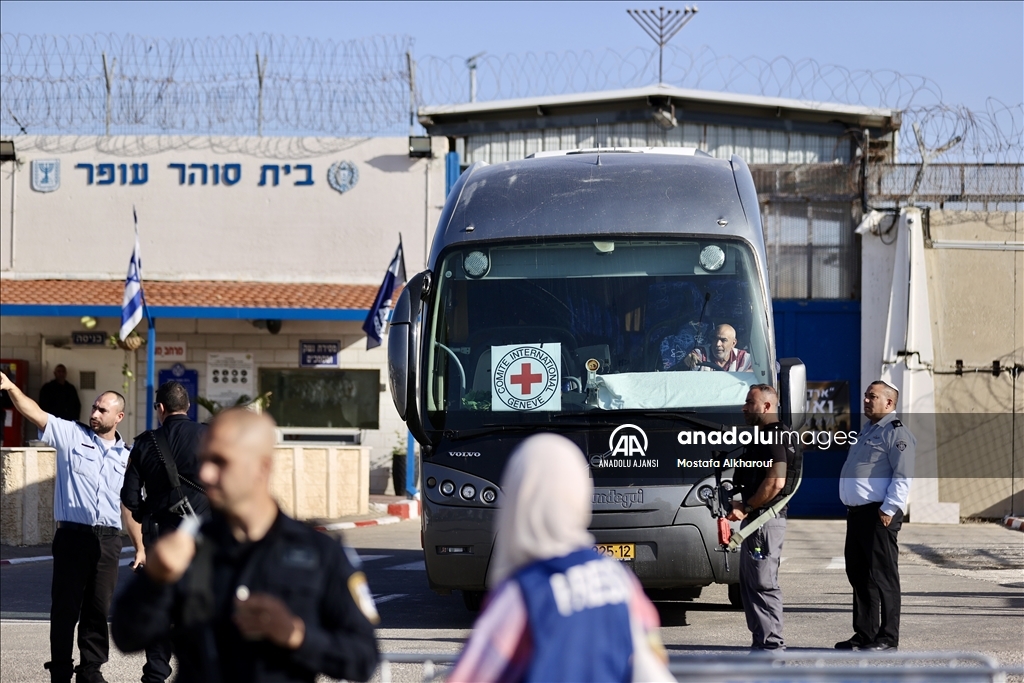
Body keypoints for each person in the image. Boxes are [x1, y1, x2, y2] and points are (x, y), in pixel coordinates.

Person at [111, 408, 379, 683]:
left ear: (262, 467)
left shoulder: (319, 552)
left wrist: (296, 635)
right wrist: (154, 581)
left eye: (220, 462)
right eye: (203, 460)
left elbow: (363, 658)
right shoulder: (187, 549)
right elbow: (126, 636)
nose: (205, 473)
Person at [449, 433, 674, 683]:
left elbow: (470, 676)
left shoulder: (524, 593)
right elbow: (653, 657)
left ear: (519, 500)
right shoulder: (619, 578)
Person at [0, 371, 129, 683]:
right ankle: (60, 670)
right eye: (94, 408)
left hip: (109, 541)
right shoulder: (72, 435)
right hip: (73, 536)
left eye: (102, 410)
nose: (94, 413)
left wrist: (140, 546)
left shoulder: (129, 456)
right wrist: (10, 387)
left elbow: (130, 507)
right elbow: (35, 412)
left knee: (98, 610)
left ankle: (91, 670)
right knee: (65, 609)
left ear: (119, 416)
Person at [120, 380, 210, 683]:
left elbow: (130, 498)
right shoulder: (208, 437)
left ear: (160, 408)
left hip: (161, 542)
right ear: (186, 407)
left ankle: (156, 675)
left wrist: (151, 509)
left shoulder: (145, 442)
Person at [835, 380, 915, 652]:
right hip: (857, 514)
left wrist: (889, 509)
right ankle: (865, 634)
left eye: (873, 396)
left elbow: (903, 476)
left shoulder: (896, 433)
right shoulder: (868, 430)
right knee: (858, 574)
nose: (867, 400)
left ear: (890, 403)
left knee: (884, 577)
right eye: (867, 396)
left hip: (879, 514)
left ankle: (888, 638)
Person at [727, 385, 797, 651]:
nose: (744, 407)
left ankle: (771, 647)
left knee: (762, 583)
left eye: (750, 402)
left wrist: (746, 506)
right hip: (758, 520)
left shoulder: (774, 436)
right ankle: (762, 643)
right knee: (751, 584)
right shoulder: (766, 435)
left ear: (767, 406)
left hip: (764, 522)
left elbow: (776, 482)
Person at [685, 324, 753, 372]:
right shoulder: (701, 354)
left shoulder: (743, 359)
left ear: (733, 343)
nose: (717, 344)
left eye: (723, 340)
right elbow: (692, 357)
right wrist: (689, 358)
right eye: (715, 339)